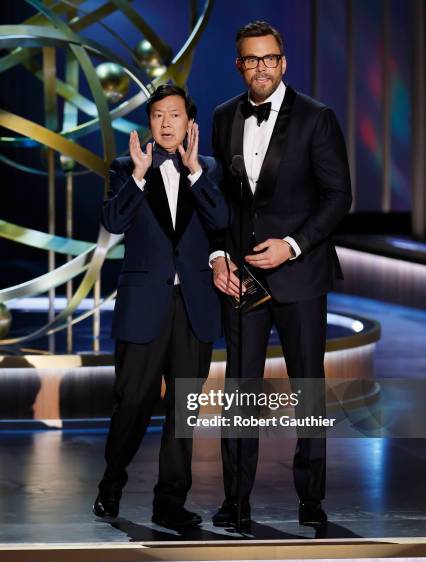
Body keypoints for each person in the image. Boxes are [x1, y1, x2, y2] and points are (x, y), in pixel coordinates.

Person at [210, 21, 352, 528]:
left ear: (283, 63)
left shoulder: (317, 118)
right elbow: (225, 203)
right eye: (252, 59)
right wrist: (218, 257)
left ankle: (311, 498)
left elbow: (339, 197)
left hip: (301, 274)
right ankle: (236, 500)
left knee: (307, 389)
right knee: (240, 393)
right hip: (244, 278)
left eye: (270, 58)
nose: (262, 67)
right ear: (239, 65)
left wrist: (292, 245)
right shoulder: (225, 116)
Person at [93, 84, 229, 529]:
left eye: (174, 115)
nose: (166, 123)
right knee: (132, 402)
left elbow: (222, 222)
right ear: (148, 123)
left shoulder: (208, 168)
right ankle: (111, 483)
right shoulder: (125, 167)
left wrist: (193, 173)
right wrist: (136, 175)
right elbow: (112, 223)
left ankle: (169, 503)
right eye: (158, 116)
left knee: (183, 411)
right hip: (143, 305)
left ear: (190, 123)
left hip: (194, 304)